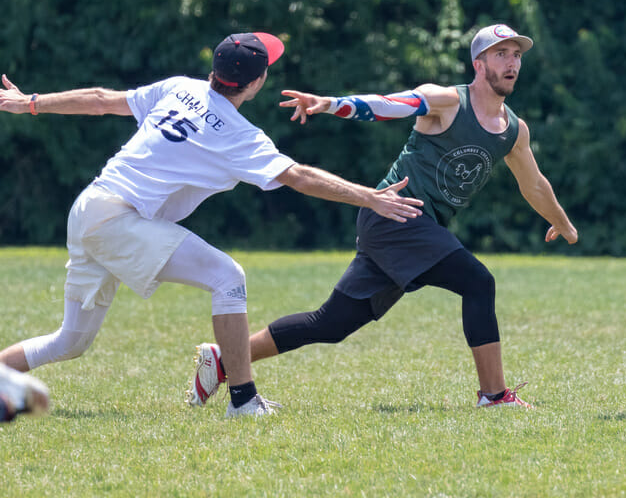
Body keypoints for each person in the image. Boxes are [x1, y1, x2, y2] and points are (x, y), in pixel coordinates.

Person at [0, 31, 423, 419]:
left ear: (213, 71)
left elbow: (98, 98)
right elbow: (299, 176)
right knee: (227, 276)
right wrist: (369, 196)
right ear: (255, 85)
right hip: (119, 221)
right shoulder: (241, 135)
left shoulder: (179, 87)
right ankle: (242, 400)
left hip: (88, 208)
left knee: (70, 341)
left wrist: (30, 102)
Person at [188, 24, 578, 409]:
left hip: (406, 228)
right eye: (500, 54)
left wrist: (562, 222)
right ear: (479, 64)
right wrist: (329, 103)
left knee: (331, 324)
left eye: (516, 55)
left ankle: (224, 359)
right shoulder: (446, 102)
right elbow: (388, 104)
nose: (511, 63)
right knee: (478, 282)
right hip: (394, 215)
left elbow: (535, 185)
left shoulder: (513, 130)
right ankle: (494, 396)